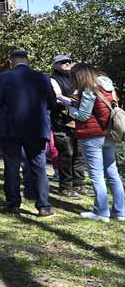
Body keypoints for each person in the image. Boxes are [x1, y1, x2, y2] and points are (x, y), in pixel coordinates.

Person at [0, 50, 56, 217]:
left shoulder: (4, 77)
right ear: (28, 60)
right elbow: (52, 102)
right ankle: (43, 205)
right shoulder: (42, 77)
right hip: (36, 128)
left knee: (11, 166)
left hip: (11, 128)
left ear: (11, 61)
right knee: (39, 166)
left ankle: (13, 204)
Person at [67, 63, 125, 222]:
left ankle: (101, 212)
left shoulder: (89, 89)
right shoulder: (107, 85)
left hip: (92, 136)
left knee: (97, 174)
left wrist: (70, 108)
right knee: (112, 172)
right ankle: (120, 211)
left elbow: (83, 116)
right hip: (109, 134)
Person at [49, 55, 88, 198]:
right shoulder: (52, 79)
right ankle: (65, 187)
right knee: (66, 154)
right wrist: (73, 102)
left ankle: (79, 184)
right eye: (62, 62)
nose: (67, 64)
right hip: (61, 121)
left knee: (78, 154)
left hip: (77, 121)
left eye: (68, 62)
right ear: (55, 65)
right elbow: (57, 97)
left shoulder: (75, 79)